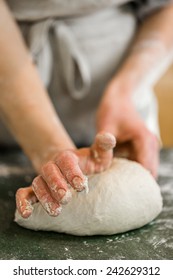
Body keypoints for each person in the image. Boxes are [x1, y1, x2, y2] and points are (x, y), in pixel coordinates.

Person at [0, 0, 173, 218]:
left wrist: (124, 93)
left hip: (122, 121)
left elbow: (167, 7)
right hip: (9, 112)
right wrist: (47, 146)